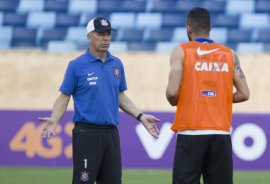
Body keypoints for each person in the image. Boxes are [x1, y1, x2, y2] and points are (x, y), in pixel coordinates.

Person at [39, 17, 160, 184]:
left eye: (108, 34)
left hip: (111, 134)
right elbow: (64, 97)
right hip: (86, 134)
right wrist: (54, 119)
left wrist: (141, 116)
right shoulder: (76, 65)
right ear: (89, 36)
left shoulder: (116, 64)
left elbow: (120, 97)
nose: (106, 38)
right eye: (101, 34)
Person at [166, 7, 250, 184]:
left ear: (188, 28)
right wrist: (218, 99)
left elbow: (172, 92)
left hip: (190, 131)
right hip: (220, 134)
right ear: (210, 27)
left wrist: (180, 99)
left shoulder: (181, 51)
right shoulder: (229, 54)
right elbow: (244, 94)